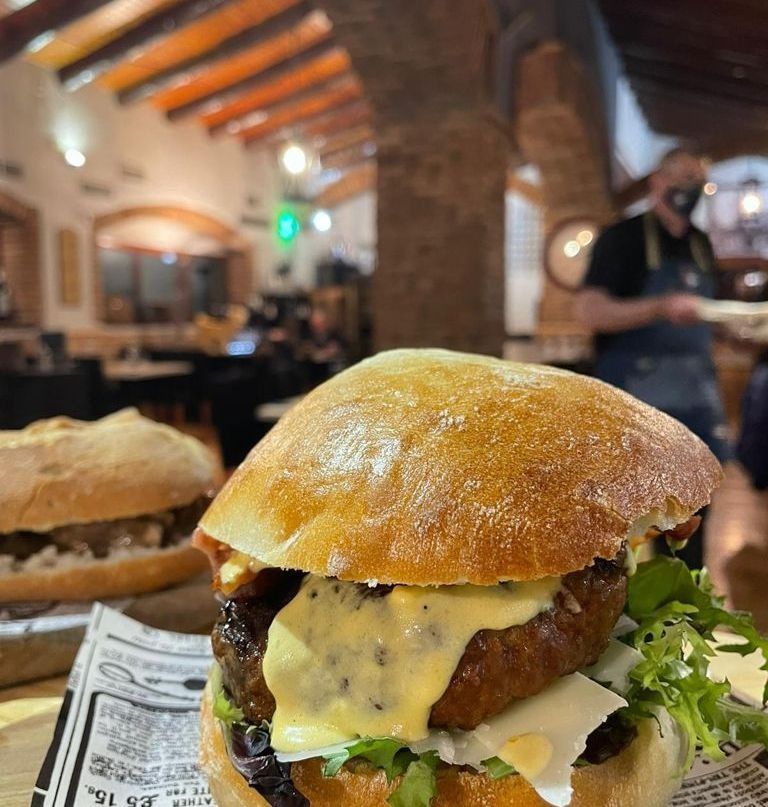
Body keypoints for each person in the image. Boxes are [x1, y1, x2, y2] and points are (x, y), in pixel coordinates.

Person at [575, 147, 730, 569]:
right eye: (681, 177)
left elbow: (707, 317)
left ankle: (686, 612)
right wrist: (659, 307)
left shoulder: (699, 243)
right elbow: (589, 311)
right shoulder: (622, 239)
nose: (690, 189)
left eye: (697, 181)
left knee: (693, 522)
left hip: (697, 400)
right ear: (657, 183)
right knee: (628, 524)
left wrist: (740, 328)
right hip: (637, 404)